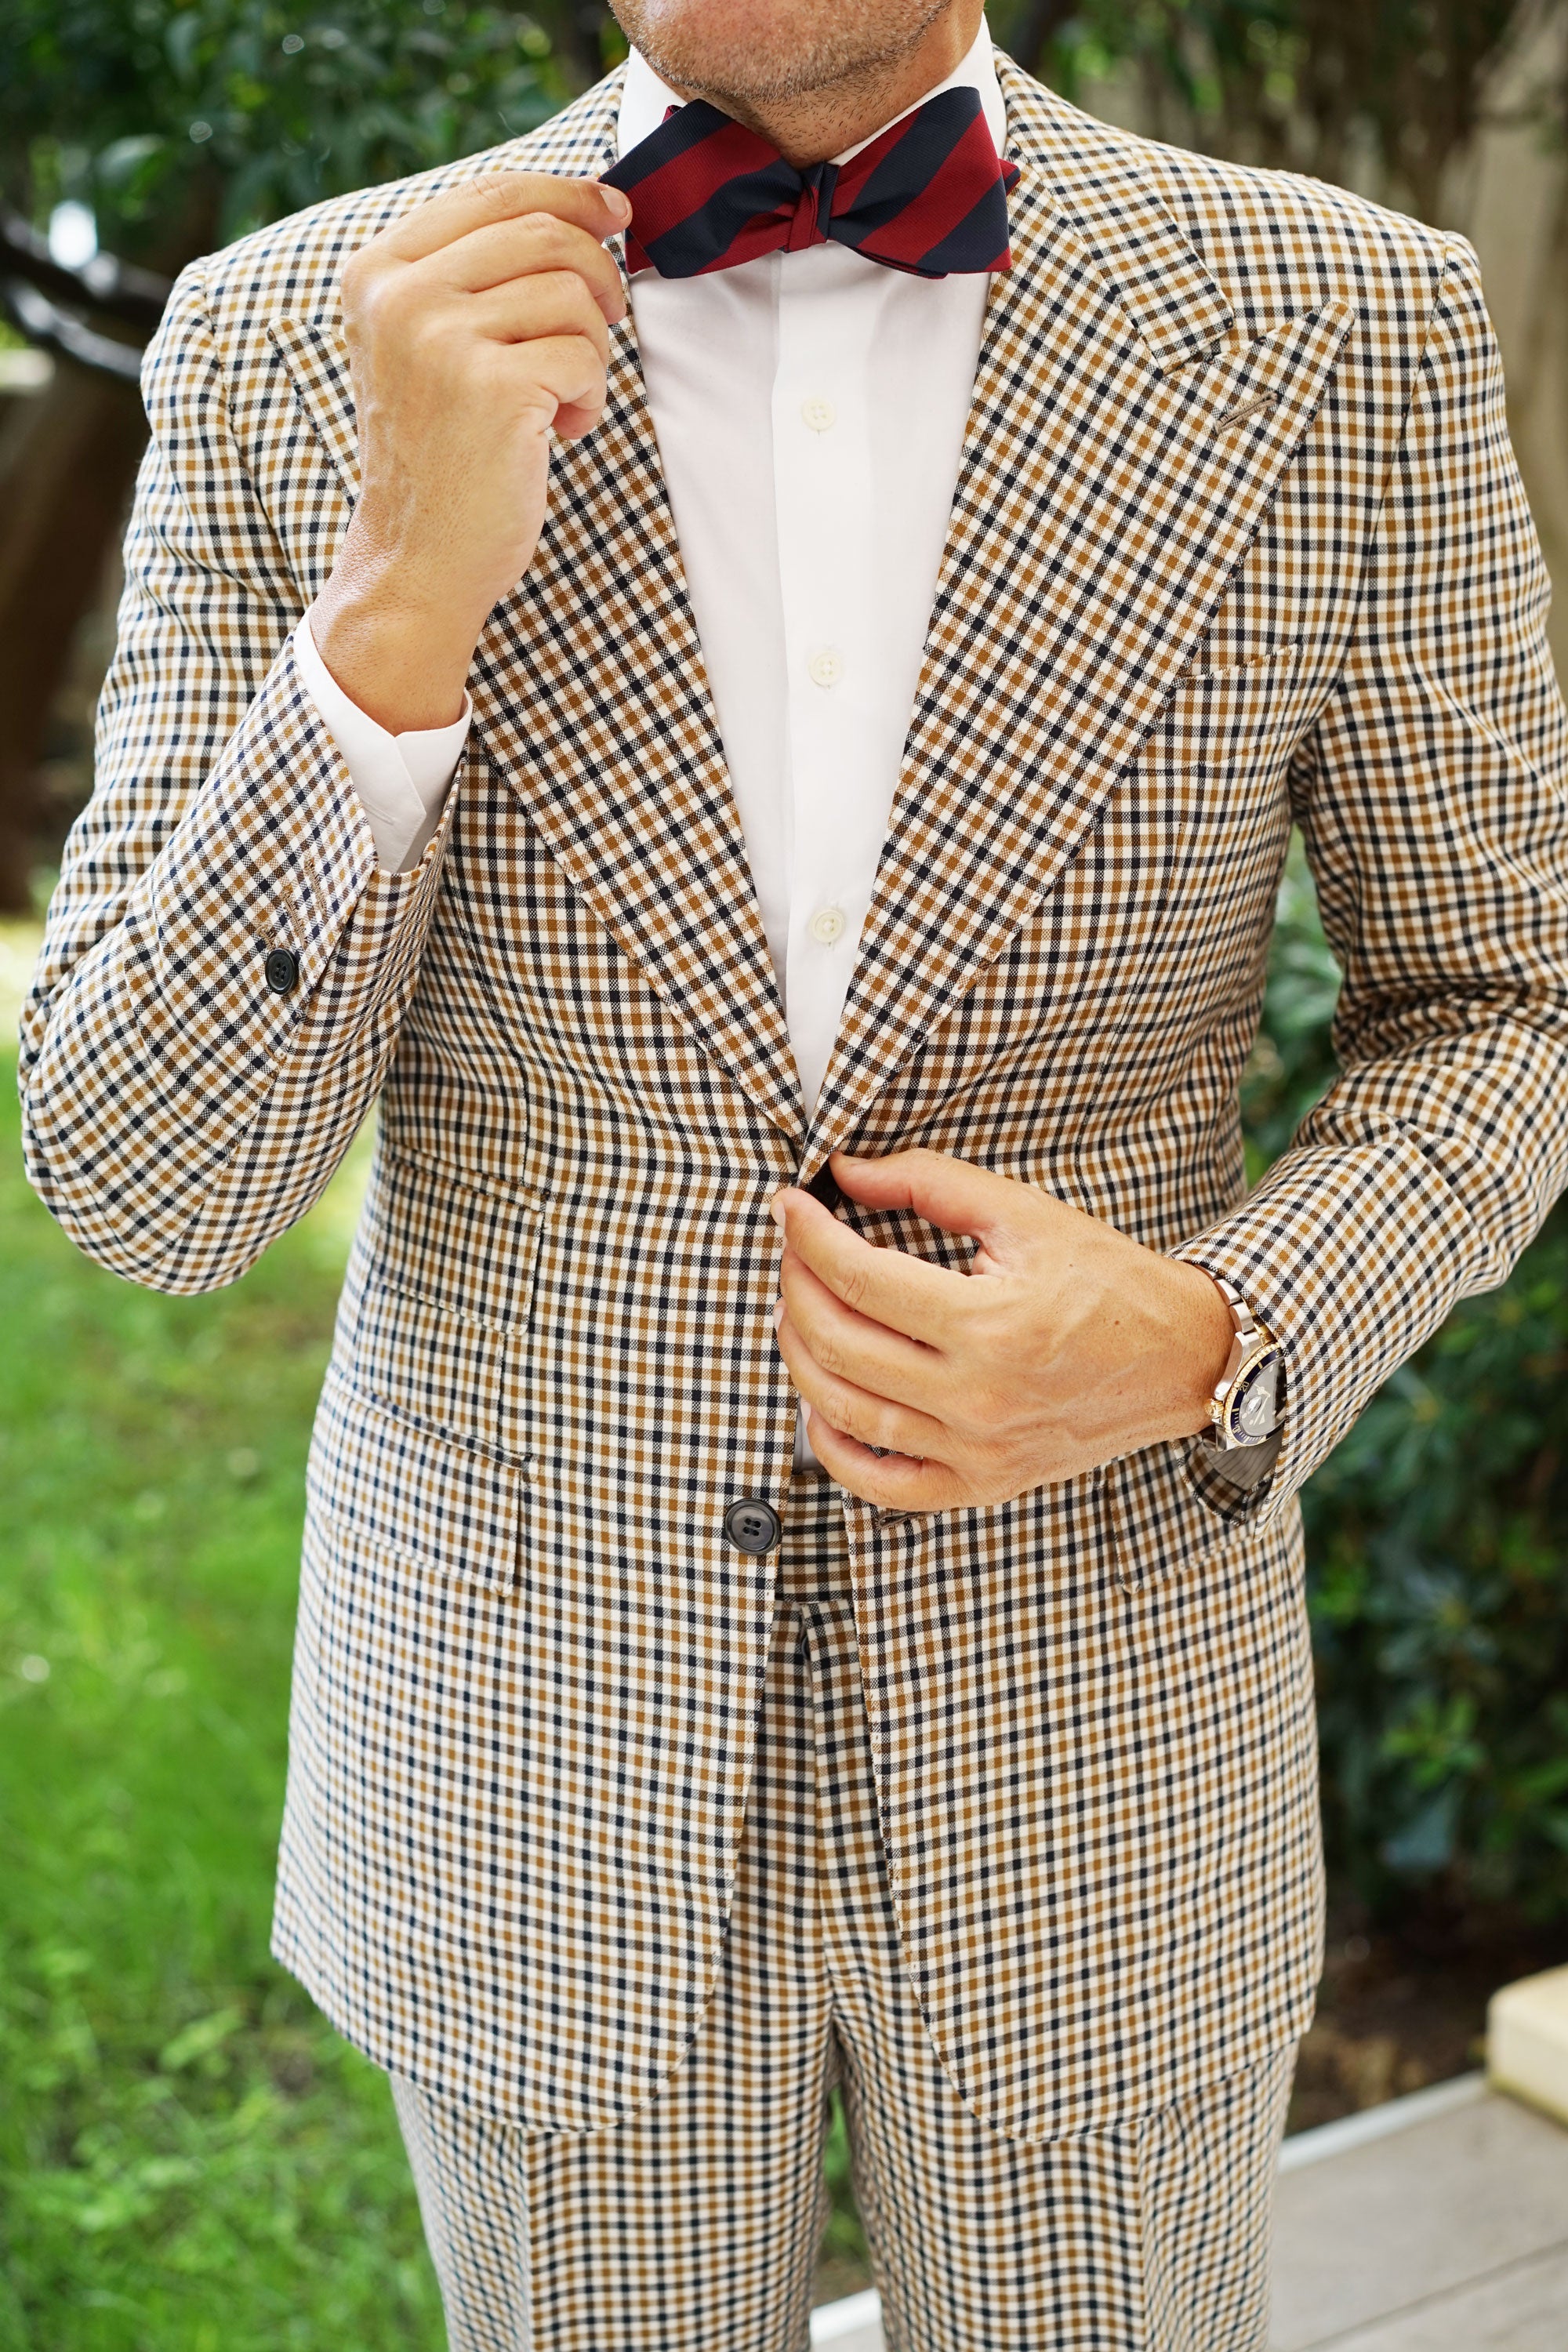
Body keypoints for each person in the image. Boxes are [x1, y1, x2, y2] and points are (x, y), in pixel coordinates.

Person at [19, 0, 1568, 2342]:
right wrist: (397, 606)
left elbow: (1512, 1002)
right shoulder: (288, 344)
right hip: (535, 1773)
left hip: (1103, 1763)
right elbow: (149, 1188)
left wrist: (1210, 1331)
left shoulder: (1345, 322)